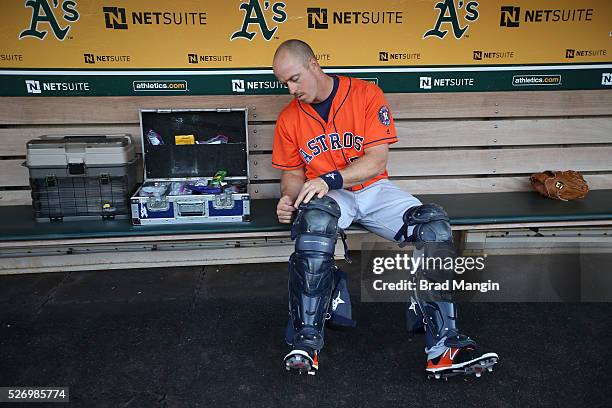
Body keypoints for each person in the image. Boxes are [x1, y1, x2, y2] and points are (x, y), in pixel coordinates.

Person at [271, 39, 498, 379]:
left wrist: (329, 179)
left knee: (433, 227)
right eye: (284, 83)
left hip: (372, 189)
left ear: (314, 65)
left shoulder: (365, 95)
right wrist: (288, 199)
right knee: (314, 222)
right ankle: (306, 342)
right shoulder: (290, 118)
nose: (291, 89)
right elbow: (292, 174)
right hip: (333, 197)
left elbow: (376, 162)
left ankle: (444, 347)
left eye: (294, 78)